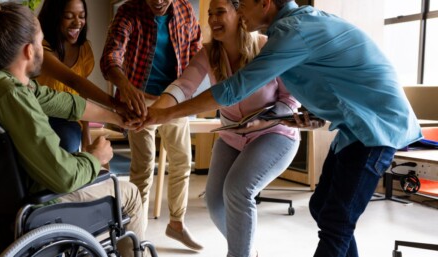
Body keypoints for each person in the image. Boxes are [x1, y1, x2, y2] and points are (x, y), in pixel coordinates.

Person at [142, 0, 423, 256]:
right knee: (322, 208)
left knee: (336, 223)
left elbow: (235, 89)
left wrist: (165, 115)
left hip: (375, 127)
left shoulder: (289, 33)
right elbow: (331, 78)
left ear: (264, 4)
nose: (239, 12)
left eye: (241, 6)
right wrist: (312, 112)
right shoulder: (293, 27)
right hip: (355, 127)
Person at [0, 1, 145, 256]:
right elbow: (64, 176)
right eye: (40, 42)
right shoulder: (12, 98)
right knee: (130, 194)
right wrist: (95, 157)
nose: (44, 48)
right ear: (29, 51)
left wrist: (117, 116)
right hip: (28, 209)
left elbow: (64, 102)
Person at [150, 0, 300, 256]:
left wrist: (264, 119)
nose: (213, 19)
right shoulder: (208, 53)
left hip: (273, 132)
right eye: (210, 14)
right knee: (214, 201)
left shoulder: (268, 47)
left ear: (239, 13)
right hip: (232, 135)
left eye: (220, 12)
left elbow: (291, 100)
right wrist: (154, 113)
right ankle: (244, 251)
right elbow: (183, 86)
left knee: (238, 189)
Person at [100, 0, 203, 250]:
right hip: (139, 99)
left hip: (173, 97)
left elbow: (196, 53)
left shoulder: (184, 10)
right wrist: (124, 85)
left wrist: (190, 94)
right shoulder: (128, 11)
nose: (158, 1)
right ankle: (137, 235)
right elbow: (111, 55)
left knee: (181, 162)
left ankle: (176, 224)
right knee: (143, 168)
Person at [36, 0, 127, 152]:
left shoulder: (84, 50)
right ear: (54, 17)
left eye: (82, 16)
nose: (77, 22)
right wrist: (117, 106)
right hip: (40, 115)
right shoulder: (41, 49)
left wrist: (86, 133)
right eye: (68, 16)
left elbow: (81, 94)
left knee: (69, 143)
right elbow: (74, 82)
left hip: (69, 116)